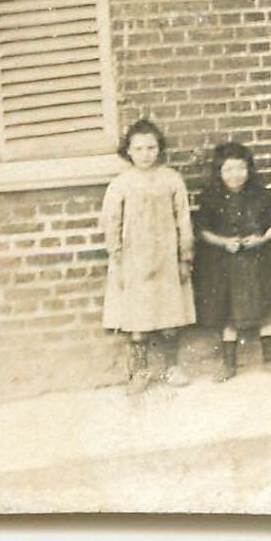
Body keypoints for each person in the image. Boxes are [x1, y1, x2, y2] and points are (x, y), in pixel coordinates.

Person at [101, 119, 196, 393]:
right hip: (134, 259)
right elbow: (112, 223)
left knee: (169, 314)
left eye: (151, 147)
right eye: (139, 148)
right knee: (137, 318)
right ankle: (140, 372)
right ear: (128, 151)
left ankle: (171, 367)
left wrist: (184, 256)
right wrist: (117, 257)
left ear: (159, 149)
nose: (146, 154)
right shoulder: (121, 184)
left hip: (166, 256)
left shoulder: (171, 179)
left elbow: (184, 219)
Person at [193, 141, 271, 381]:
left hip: (259, 260)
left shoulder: (260, 195)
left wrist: (261, 239)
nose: (235, 175)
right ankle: (229, 364)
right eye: (228, 170)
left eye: (240, 168)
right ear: (219, 172)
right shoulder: (210, 198)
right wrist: (223, 241)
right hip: (225, 263)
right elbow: (203, 230)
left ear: (249, 169)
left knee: (264, 306)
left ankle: (270, 357)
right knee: (228, 311)